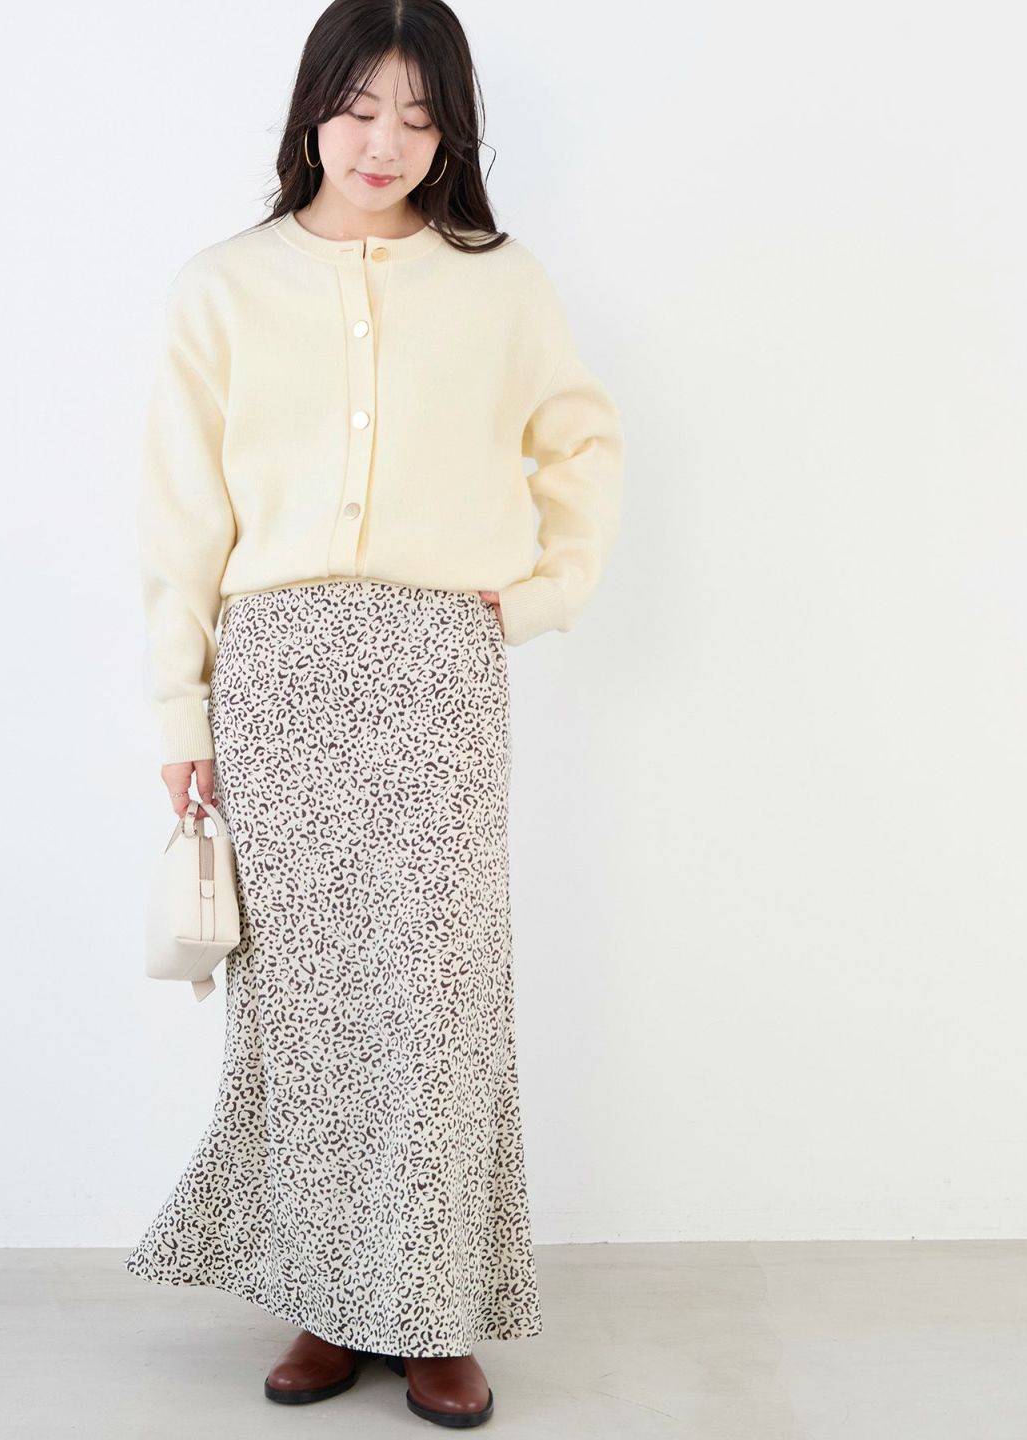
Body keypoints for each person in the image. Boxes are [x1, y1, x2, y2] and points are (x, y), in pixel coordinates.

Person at [123, 0, 623, 1427]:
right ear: (311, 113)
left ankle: (437, 1307)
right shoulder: (222, 288)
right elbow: (181, 519)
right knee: (307, 1002)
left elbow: (582, 441)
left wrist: (538, 595)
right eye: (358, 106)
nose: (384, 140)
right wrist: (182, 711)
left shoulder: (500, 283)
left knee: (439, 998)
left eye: (417, 111)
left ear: (452, 129)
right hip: (278, 669)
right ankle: (326, 1302)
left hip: (438, 662)